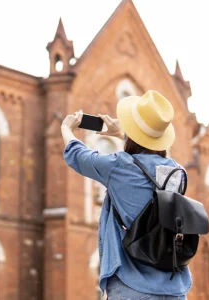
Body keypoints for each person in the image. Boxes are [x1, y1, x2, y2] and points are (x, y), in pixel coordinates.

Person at [61, 90, 191, 300]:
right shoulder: (178, 172)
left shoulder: (119, 167)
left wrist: (66, 129)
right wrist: (124, 134)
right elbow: (146, 158)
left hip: (132, 287)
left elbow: (78, 155)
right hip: (174, 288)